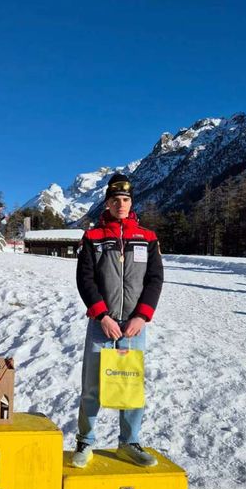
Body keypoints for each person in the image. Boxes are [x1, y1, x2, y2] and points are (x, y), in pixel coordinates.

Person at [72, 173, 164, 468]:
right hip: (103, 324)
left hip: (134, 326)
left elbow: (155, 279)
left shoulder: (148, 237)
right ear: (107, 204)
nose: (120, 204)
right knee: (92, 385)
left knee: (130, 385)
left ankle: (129, 442)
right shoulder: (93, 237)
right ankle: (85, 440)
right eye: (115, 200)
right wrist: (102, 315)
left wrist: (142, 315)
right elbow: (85, 279)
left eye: (125, 199)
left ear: (131, 202)